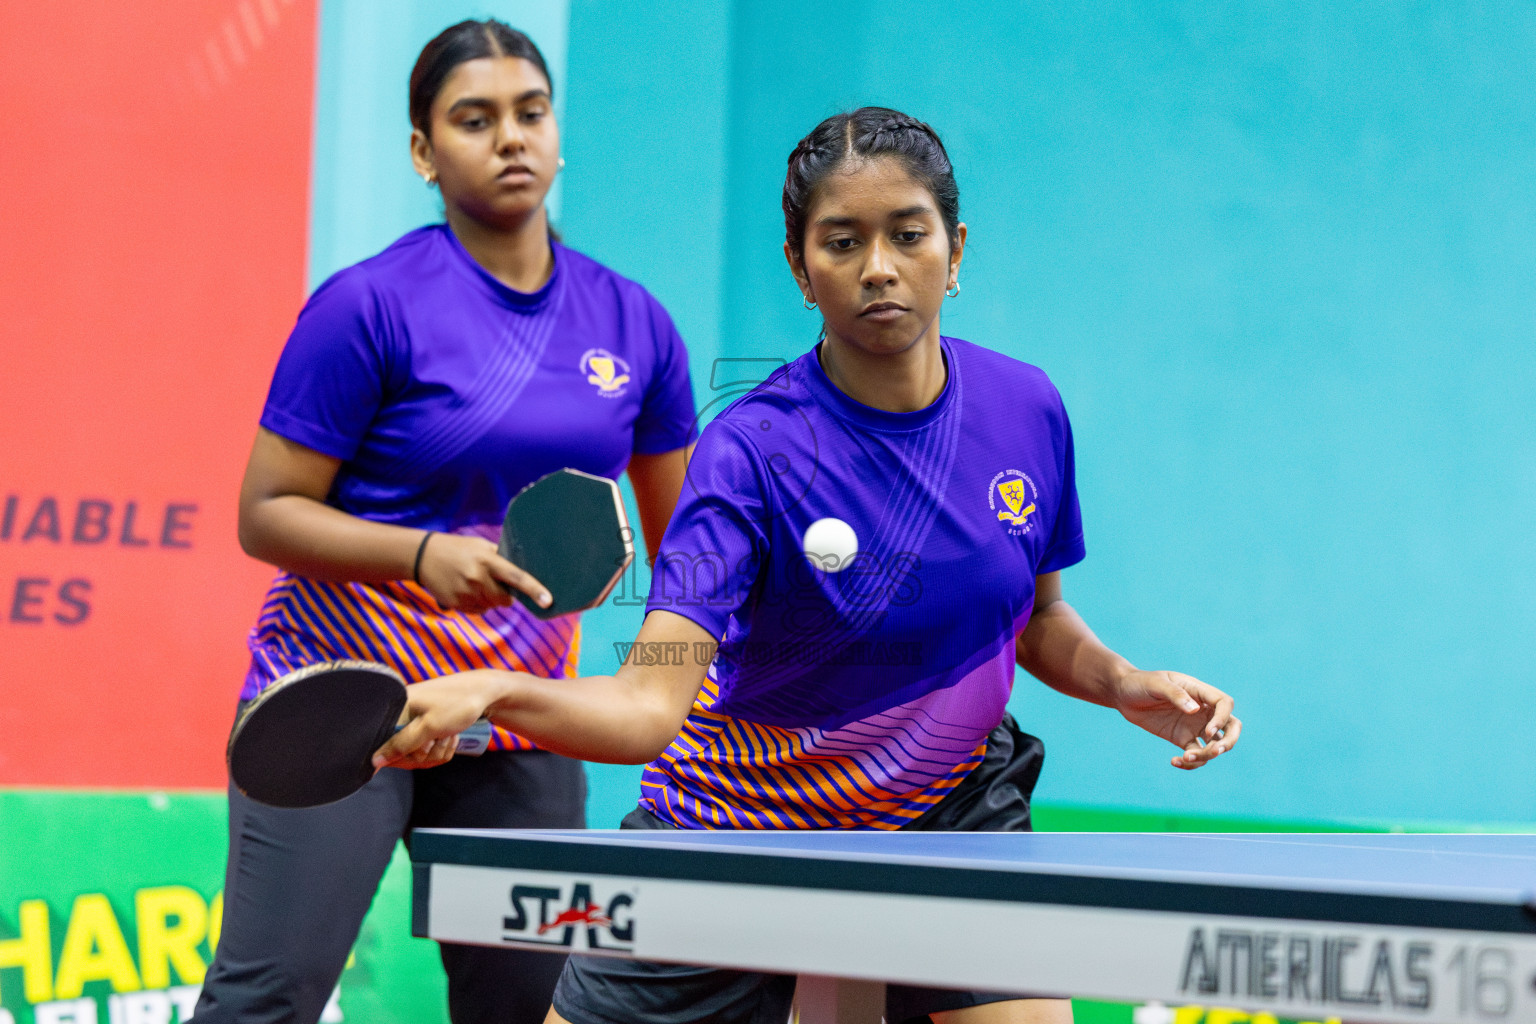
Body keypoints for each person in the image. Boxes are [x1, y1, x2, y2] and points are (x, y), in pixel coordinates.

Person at [377, 107, 1242, 1024]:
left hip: (947, 804)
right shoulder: (748, 452)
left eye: (908, 234)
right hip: (741, 820)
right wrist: (496, 692)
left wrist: (1120, 681)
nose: (879, 267)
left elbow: (1035, 617)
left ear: (955, 249)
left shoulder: (1025, 408)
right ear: (800, 268)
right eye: (842, 242)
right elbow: (648, 702)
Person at [190, 19, 697, 1024]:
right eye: (475, 119)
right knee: (266, 1000)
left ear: (556, 134)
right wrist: (421, 555)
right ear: (424, 152)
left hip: (516, 719)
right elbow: (266, 513)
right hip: (347, 705)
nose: (510, 138)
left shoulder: (634, 324)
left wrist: (672, 693)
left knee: (533, 1010)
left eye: (531, 113)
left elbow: (688, 552)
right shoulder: (367, 307)